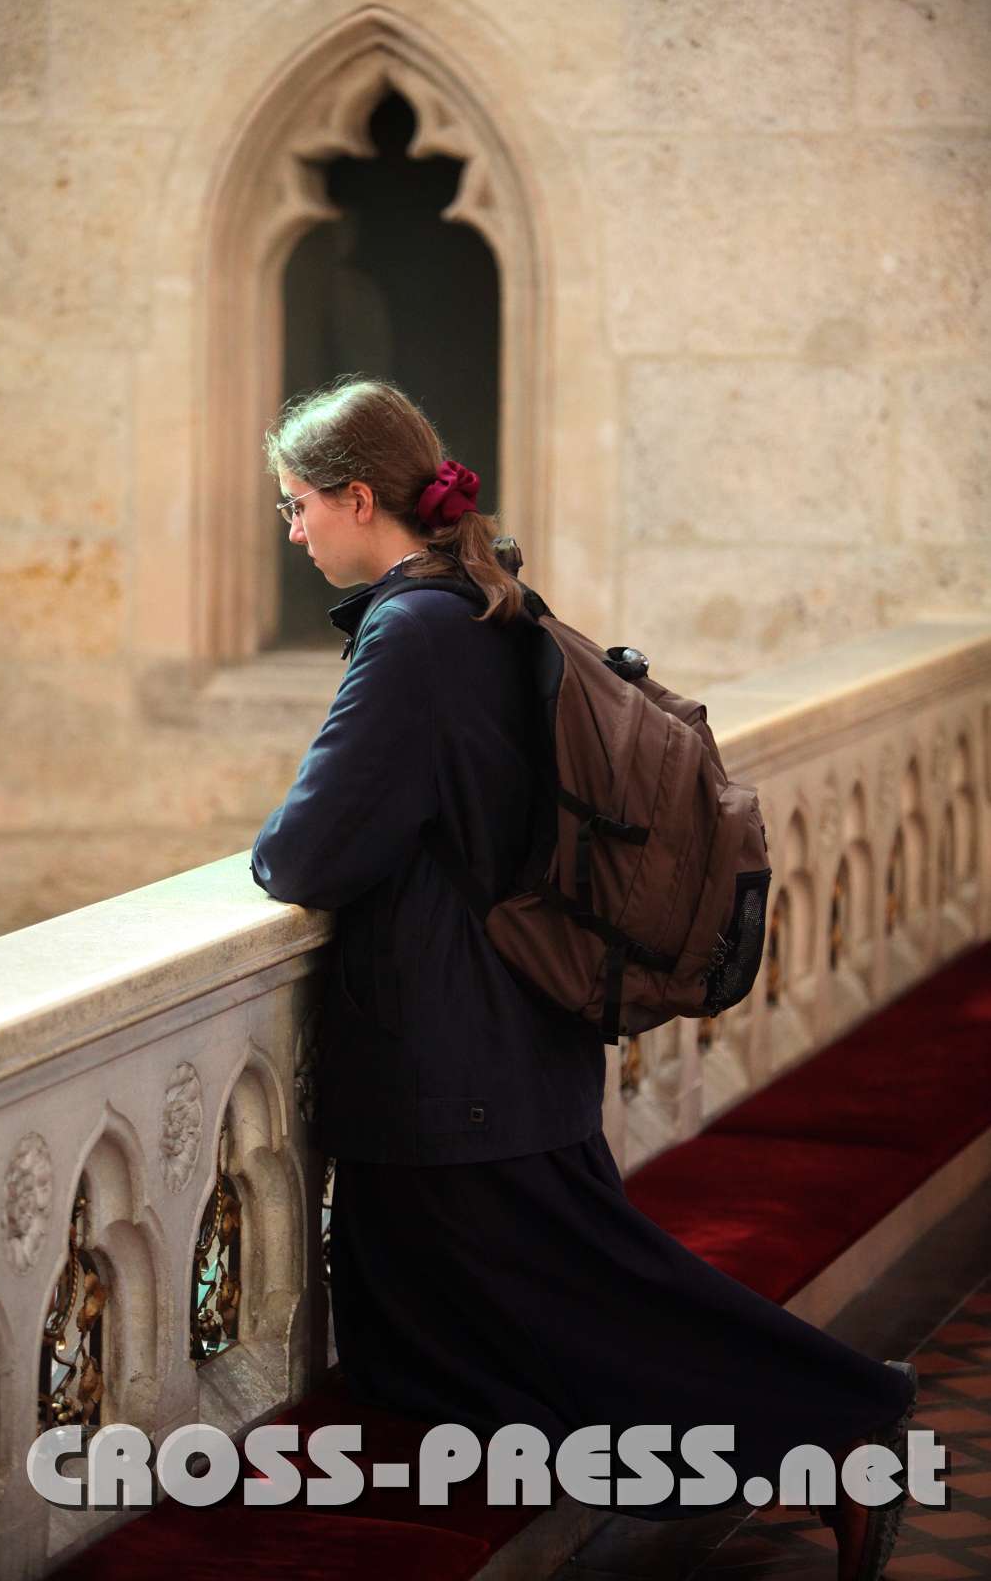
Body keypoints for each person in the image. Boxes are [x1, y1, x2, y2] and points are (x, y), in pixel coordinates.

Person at [250, 376, 918, 1581]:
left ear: (355, 497)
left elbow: (301, 855)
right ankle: (834, 1426)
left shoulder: (412, 636)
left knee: (592, 1307)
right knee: (464, 1337)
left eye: (296, 504)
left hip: (448, 1054)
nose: (293, 531)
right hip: (507, 1030)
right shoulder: (481, 602)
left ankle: (850, 1421)